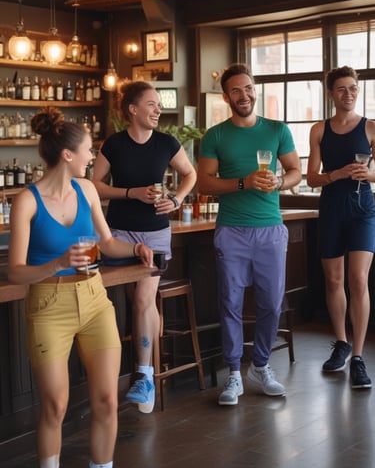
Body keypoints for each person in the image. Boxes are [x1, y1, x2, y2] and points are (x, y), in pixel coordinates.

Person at [8, 106, 154, 468]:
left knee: (106, 399)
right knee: (55, 405)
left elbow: (106, 243)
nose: (93, 156)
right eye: (89, 149)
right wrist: (57, 264)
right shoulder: (26, 201)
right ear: (67, 154)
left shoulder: (87, 189)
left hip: (93, 300)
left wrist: (135, 248)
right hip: (48, 307)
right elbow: (15, 272)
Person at [197, 63, 301, 405]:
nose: (245, 95)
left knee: (272, 303)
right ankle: (232, 373)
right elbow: (204, 183)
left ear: (255, 90)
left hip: (270, 229)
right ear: (227, 97)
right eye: (237, 91)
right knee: (231, 304)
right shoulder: (216, 135)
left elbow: (295, 171)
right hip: (231, 230)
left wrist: (280, 182)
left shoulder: (277, 129)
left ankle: (260, 365)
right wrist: (242, 182)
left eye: (249, 88)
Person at [92, 80, 196, 413]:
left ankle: (145, 375)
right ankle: (142, 365)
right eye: (150, 104)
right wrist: (129, 193)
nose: (157, 109)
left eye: (158, 104)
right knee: (130, 304)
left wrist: (176, 199)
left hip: (155, 234)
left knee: (142, 299)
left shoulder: (166, 142)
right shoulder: (115, 144)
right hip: (118, 235)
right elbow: (94, 186)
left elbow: (189, 174)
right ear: (132, 110)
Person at [307, 65, 375, 389]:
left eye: (353, 88)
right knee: (334, 280)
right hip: (332, 206)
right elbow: (310, 177)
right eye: (342, 89)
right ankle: (342, 342)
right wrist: (336, 174)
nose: (348, 94)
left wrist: (368, 174)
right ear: (331, 93)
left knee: (358, 279)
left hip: (363, 208)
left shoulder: (372, 127)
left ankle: (359, 357)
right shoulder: (319, 130)